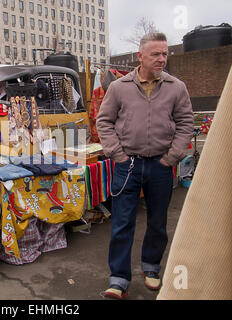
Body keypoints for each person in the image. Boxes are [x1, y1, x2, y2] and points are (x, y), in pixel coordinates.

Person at [96, 33, 194, 299]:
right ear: (141, 56)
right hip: (127, 165)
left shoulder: (176, 87)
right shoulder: (119, 87)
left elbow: (186, 123)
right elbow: (103, 122)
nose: (162, 59)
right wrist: (117, 155)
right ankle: (118, 279)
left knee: (158, 222)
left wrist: (171, 157)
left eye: (165, 54)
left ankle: (151, 268)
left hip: (161, 166)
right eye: (156, 54)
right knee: (122, 222)